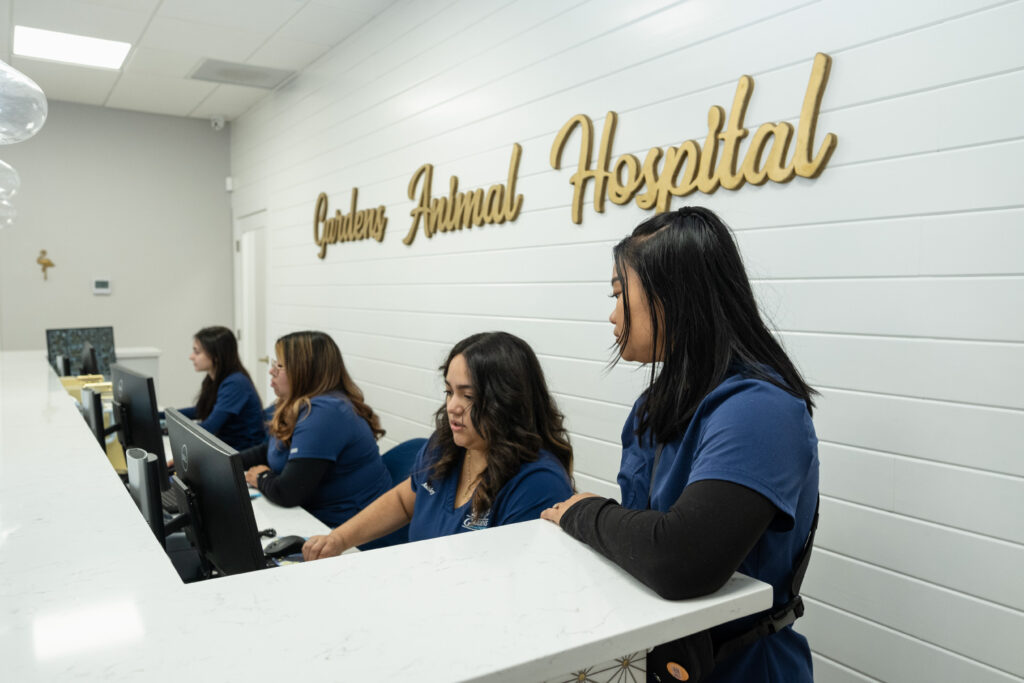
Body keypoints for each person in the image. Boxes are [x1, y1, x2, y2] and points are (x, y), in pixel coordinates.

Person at [541, 207, 819, 683]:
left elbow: (681, 559)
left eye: (618, 293)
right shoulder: (658, 405)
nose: (612, 315)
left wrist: (583, 512)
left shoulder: (759, 410)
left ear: (672, 296)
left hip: (741, 667)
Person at [302, 331, 574, 560]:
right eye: (449, 392)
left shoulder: (537, 482)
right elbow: (403, 500)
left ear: (508, 401)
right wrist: (338, 539)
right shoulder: (446, 446)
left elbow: (513, 581)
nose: (452, 406)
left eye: (468, 396)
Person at [241, 331, 393, 532]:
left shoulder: (326, 412)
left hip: (350, 531)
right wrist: (227, 462)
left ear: (304, 371)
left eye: (280, 366)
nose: (272, 371)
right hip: (317, 519)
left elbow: (288, 492)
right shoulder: (298, 405)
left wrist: (261, 478)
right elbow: (272, 449)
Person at [179, 326, 266, 450]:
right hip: (227, 447)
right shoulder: (214, 379)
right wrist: (164, 415)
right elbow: (201, 410)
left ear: (216, 356)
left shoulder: (235, 383)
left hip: (242, 453)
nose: (191, 357)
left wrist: (178, 436)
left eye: (197, 352)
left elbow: (210, 427)